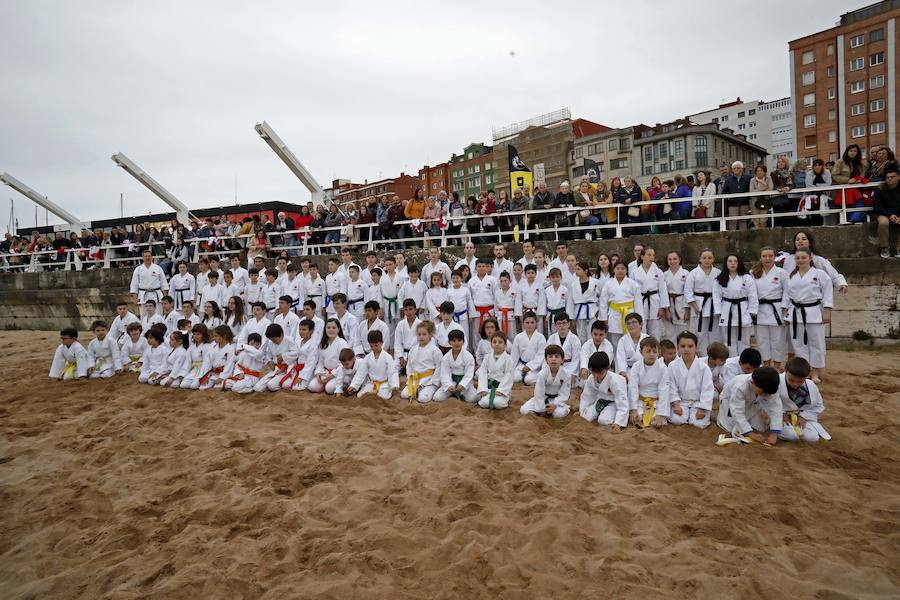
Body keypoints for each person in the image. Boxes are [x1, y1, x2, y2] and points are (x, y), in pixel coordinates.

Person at [783, 248, 834, 383]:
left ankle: (816, 372)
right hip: (795, 313)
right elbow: (787, 296)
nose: (800, 260)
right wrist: (786, 313)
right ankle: (805, 371)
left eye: (803, 258)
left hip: (814, 312)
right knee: (798, 344)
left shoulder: (820, 274)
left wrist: (827, 310)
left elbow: (827, 292)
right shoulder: (791, 276)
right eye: (798, 258)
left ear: (810, 258)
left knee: (816, 344)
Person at [660, 331, 714, 428]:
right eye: (683, 346)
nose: (686, 349)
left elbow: (708, 390)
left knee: (698, 423)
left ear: (696, 348)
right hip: (681, 402)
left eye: (690, 346)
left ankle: (698, 413)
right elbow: (671, 386)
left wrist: (702, 409)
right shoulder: (672, 366)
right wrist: (676, 404)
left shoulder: (703, 367)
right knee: (677, 420)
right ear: (678, 348)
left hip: (698, 403)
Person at [716, 367, 782, 444]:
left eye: (767, 393)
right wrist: (750, 434)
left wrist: (774, 434)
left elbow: (776, 407)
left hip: (751, 403)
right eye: (762, 392)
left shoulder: (771, 385)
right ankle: (715, 415)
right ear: (752, 383)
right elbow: (737, 411)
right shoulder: (740, 386)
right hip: (729, 402)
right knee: (732, 430)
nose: (765, 395)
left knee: (760, 428)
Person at [713, 254, 757, 356]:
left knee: (744, 341)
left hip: (743, 310)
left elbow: (752, 296)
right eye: (730, 261)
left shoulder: (747, 278)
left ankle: (744, 363)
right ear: (726, 263)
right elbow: (716, 297)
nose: (732, 263)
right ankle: (731, 364)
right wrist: (719, 312)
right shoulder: (720, 279)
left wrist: (752, 312)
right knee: (729, 341)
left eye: (735, 261)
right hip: (726, 310)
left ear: (739, 263)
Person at [751, 246, 788, 369]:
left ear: (775, 257)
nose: (767, 258)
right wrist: (752, 310)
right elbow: (750, 293)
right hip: (759, 310)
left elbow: (787, 293)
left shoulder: (781, 273)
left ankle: (777, 366)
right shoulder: (753, 273)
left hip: (776, 310)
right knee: (762, 340)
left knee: (778, 341)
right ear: (760, 257)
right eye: (764, 256)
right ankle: (765, 365)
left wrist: (785, 310)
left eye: (770, 256)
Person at [778, 357, 829, 443]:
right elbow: (767, 401)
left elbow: (818, 405)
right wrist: (781, 414)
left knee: (812, 438)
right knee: (791, 435)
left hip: (801, 416)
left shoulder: (811, 385)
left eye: (800, 381)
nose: (795, 384)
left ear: (807, 376)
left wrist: (804, 416)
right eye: (791, 380)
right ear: (785, 371)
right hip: (781, 416)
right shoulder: (777, 382)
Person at [780, 231, 848, 294]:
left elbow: (834, 275)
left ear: (810, 243)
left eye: (803, 239)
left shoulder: (819, 260)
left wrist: (841, 284)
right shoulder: (789, 260)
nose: (800, 241)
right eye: (797, 240)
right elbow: (784, 278)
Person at [578, 351, 629, 429]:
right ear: (590, 369)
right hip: (600, 401)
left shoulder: (616, 381)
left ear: (607, 368)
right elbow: (587, 396)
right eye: (594, 372)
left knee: (603, 420)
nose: (597, 375)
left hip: (614, 403)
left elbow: (622, 402)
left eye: (601, 372)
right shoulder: (591, 378)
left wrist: (618, 423)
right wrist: (582, 411)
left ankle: (614, 417)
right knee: (584, 418)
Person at [519, 345, 572, 418]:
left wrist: (555, 404)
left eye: (557, 357)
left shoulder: (566, 374)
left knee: (559, 414)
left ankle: (556, 410)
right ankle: (540, 412)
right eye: (550, 357)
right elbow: (539, 393)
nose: (553, 359)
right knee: (524, 410)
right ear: (546, 359)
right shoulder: (542, 374)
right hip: (543, 398)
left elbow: (564, 393)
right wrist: (541, 409)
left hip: (557, 400)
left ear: (562, 360)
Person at [598, 261, 641, 351]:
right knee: (614, 341)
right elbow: (603, 303)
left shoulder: (633, 284)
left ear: (626, 270)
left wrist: (639, 318)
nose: (620, 271)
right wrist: (604, 318)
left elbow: (638, 303)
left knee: (630, 338)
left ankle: (630, 361)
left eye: (622, 268)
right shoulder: (608, 284)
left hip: (630, 314)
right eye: (617, 268)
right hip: (614, 314)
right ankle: (616, 363)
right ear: (613, 270)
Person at [627, 337, 667, 428]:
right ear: (641, 352)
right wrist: (633, 409)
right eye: (648, 351)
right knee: (636, 419)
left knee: (656, 422)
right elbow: (633, 388)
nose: (652, 354)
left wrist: (660, 414)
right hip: (640, 401)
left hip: (656, 402)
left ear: (659, 352)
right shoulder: (636, 366)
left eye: (654, 351)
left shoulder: (663, 368)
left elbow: (664, 390)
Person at [346, 332, 399, 400]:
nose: (374, 348)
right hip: (371, 384)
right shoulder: (367, 358)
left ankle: (387, 391)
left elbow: (392, 372)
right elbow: (361, 372)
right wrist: (353, 385)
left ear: (382, 342)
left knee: (383, 396)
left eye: (376, 345)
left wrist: (394, 385)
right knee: (360, 395)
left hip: (384, 384)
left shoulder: (388, 357)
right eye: (371, 346)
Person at [631, 246, 669, 339]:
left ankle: (655, 351)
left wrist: (662, 307)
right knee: (641, 329)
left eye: (653, 255)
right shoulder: (634, 272)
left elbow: (663, 289)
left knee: (655, 331)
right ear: (642, 257)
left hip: (654, 301)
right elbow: (631, 291)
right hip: (640, 301)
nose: (652, 257)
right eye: (649, 255)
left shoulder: (658, 271)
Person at [401, 321, 443, 403]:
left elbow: (439, 367)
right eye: (419, 334)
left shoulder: (435, 350)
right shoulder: (413, 349)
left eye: (424, 334)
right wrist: (410, 377)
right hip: (415, 379)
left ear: (430, 335)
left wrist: (435, 382)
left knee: (423, 399)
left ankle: (430, 390)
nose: (421, 337)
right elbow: (409, 366)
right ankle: (417, 390)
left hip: (429, 381)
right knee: (404, 395)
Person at [307, 318, 350, 394]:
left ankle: (345, 384)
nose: (331, 330)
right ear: (325, 329)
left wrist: (332, 374)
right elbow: (321, 361)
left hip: (339, 373)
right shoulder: (323, 343)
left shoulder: (342, 343)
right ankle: (325, 384)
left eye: (334, 328)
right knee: (312, 387)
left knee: (329, 389)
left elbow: (345, 363)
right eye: (328, 327)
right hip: (325, 372)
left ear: (338, 329)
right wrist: (318, 373)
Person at [434, 329, 478, 403]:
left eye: (459, 340)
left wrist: (463, 385)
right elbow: (445, 374)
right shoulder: (446, 357)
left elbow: (469, 374)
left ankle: (461, 393)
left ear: (463, 342)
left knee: (473, 399)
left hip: (465, 383)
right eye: (454, 341)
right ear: (449, 342)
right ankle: (454, 393)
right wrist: (449, 385)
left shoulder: (468, 356)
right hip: (452, 381)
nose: (456, 343)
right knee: (437, 398)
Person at [476, 332, 514, 410]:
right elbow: (483, 373)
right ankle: (487, 396)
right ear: (491, 344)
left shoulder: (508, 359)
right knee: (484, 403)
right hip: (488, 388)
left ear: (505, 345)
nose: (497, 344)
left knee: (498, 404)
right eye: (494, 342)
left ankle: (504, 397)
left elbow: (509, 375)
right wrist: (483, 389)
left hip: (502, 388)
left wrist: (501, 390)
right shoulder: (487, 357)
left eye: (500, 342)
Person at [130, 249, 169, 317]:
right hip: (143, 295)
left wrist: (165, 297)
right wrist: (135, 298)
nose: (147, 258)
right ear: (143, 257)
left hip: (156, 295)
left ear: (152, 257)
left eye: (149, 256)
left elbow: (163, 283)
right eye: (145, 256)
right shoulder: (138, 269)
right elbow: (134, 284)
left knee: (158, 314)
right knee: (144, 315)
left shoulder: (158, 268)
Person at [662, 251, 689, 344]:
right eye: (670, 259)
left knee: (683, 332)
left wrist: (687, 310)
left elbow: (688, 293)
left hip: (681, 304)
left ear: (679, 259)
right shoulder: (664, 275)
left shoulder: (686, 274)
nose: (672, 261)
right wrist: (666, 310)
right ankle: (672, 355)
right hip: (669, 304)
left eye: (675, 259)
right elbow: (663, 293)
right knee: (670, 333)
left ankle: (682, 354)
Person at [546, 312, 581, 385]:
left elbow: (576, 359)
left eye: (564, 323)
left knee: (569, 383)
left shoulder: (575, 339)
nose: (562, 326)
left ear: (568, 324)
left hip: (569, 367)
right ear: (555, 325)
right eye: (559, 323)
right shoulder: (552, 338)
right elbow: (546, 355)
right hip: (554, 366)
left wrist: (573, 374)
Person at [874, 166, 900, 258]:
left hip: (898, 214)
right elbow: (877, 207)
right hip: (884, 214)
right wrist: (890, 214)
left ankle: (898, 248)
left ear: (898, 177)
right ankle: (884, 247)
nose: (890, 179)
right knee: (883, 223)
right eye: (888, 177)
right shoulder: (880, 190)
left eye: (892, 177)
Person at [198, 325, 235, 389]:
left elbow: (229, 365)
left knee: (218, 387)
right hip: (212, 373)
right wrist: (204, 376)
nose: (213, 338)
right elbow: (207, 362)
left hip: (223, 374)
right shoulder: (213, 346)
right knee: (201, 388)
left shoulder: (230, 348)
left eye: (216, 336)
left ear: (224, 336)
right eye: (213, 336)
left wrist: (221, 377)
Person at [579, 320, 614, 388]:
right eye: (595, 334)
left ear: (606, 334)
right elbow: (584, 358)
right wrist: (584, 368)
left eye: (601, 335)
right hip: (590, 371)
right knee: (584, 382)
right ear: (591, 333)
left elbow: (607, 362)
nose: (598, 337)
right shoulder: (587, 345)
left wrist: (599, 373)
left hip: (603, 372)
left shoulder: (608, 345)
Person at [180, 324, 212, 389]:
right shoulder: (191, 347)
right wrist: (183, 374)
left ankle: (200, 380)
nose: (196, 336)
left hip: (203, 370)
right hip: (194, 369)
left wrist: (201, 376)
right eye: (194, 334)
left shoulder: (208, 346)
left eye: (198, 334)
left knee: (193, 386)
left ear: (204, 334)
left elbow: (207, 363)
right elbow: (188, 362)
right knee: (183, 385)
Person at [721, 160, 751, 230]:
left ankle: (743, 237)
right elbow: (724, 192)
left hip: (744, 203)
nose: (736, 170)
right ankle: (733, 238)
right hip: (733, 204)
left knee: (743, 221)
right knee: (732, 221)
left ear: (742, 169)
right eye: (734, 168)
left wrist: (747, 198)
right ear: (732, 170)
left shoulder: (748, 178)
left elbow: (750, 189)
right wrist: (730, 198)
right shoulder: (729, 180)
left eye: (738, 168)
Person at [614, 312, 647, 378]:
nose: (631, 325)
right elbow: (620, 359)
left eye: (634, 322)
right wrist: (623, 374)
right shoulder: (622, 341)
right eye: (628, 323)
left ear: (641, 324)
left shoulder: (647, 339)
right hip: (628, 372)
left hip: (645, 371)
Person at [493, 271, 520, 339]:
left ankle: (512, 349)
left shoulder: (514, 291)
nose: (503, 283)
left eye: (505, 280)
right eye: (501, 281)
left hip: (510, 316)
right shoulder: (497, 292)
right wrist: (496, 315)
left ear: (510, 281)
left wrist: (517, 315)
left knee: (512, 335)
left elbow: (517, 304)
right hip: (500, 316)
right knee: (500, 335)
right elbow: (495, 305)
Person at [749, 164, 773, 229]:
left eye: (761, 170)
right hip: (754, 202)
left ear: (764, 172)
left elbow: (770, 189)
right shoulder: (752, 180)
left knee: (763, 220)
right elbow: (751, 191)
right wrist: (764, 188)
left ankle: (763, 234)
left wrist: (758, 190)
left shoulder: (768, 178)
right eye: (757, 171)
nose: (759, 172)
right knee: (756, 221)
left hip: (765, 201)